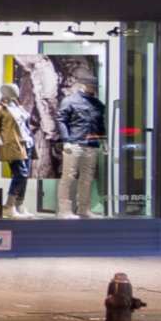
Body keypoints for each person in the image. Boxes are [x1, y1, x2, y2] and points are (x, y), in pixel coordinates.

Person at [55, 70, 107, 217]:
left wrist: (103, 141)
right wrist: (66, 141)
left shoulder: (98, 104)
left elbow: (100, 124)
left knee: (87, 178)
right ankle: (64, 210)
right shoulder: (70, 100)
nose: (93, 88)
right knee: (68, 176)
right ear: (83, 84)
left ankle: (84, 208)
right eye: (91, 85)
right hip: (74, 143)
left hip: (91, 144)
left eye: (95, 86)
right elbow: (61, 120)